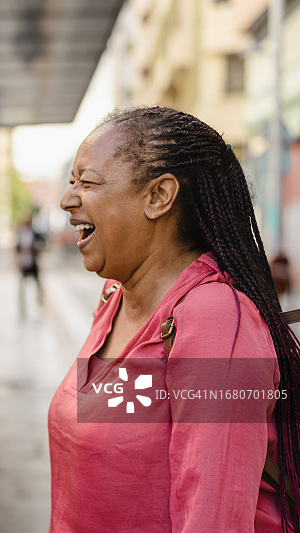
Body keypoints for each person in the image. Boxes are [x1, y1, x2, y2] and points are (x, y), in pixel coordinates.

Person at [51, 106, 300, 531]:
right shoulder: (115, 298)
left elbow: (215, 517)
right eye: (72, 181)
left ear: (158, 196)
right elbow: (128, 419)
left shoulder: (216, 321)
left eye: (87, 182)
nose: (67, 199)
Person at [15, 214, 45, 315]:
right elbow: (17, 249)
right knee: (22, 285)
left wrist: (35, 249)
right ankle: (22, 306)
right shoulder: (21, 234)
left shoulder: (35, 234)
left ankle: (39, 303)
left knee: (37, 284)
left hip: (32, 262)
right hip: (24, 262)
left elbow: (42, 243)